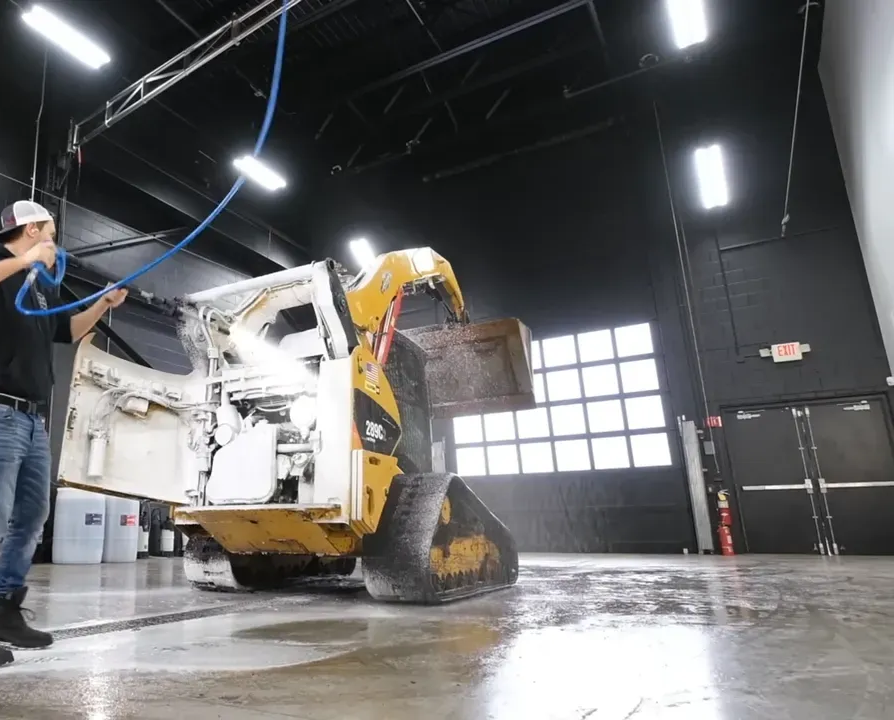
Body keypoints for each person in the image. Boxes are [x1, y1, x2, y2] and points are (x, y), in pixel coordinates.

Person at [0, 201, 127, 665]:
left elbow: (67, 332)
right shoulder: (12, 269)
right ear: (31, 229)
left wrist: (102, 304)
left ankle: (6, 610)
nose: (56, 241)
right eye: (51, 231)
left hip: (32, 419)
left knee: (32, 517)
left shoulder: (40, 287)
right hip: (1, 412)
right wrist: (29, 260)